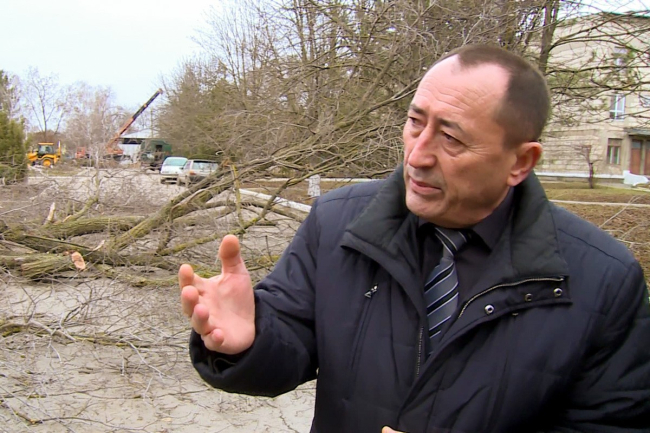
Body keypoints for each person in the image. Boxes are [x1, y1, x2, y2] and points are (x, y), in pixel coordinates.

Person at [179, 45, 650, 432]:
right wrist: (249, 341)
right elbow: (289, 347)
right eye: (415, 122)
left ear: (520, 162)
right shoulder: (337, 222)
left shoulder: (604, 281)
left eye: (452, 139)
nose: (417, 155)